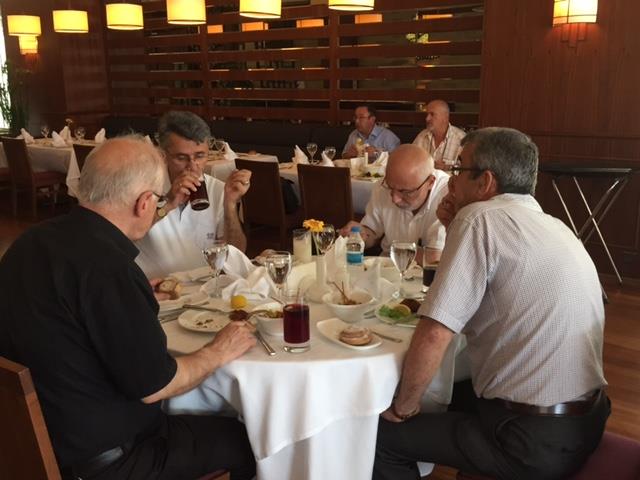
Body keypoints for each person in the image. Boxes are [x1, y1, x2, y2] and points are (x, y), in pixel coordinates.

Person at [0, 136, 257, 480]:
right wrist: (218, 351)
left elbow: (65, 312)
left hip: (33, 440)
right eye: (159, 200)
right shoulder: (109, 268)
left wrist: (131, 300)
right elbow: (157, 386)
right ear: (144, 202)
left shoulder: (31, 241)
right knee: (250, 439)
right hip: (111, 460)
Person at [373, 128, 610, 480]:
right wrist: (452, 226)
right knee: (452, 391)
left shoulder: (478, 218)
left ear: (485, 182)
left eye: (459, 168)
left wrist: (403, 409)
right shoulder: (555, 225)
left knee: (381, 437)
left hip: (530, 438)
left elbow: (436, 332)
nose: (451, 179)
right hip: (586, 421)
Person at [135, 110, 250, 278]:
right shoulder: (141, 187)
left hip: (205, 287)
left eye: (200, 156)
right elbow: (123, 237)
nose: (192, 166)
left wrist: (230, 205)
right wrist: (168, 203)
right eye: (181, 158)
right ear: (163, 155)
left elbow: (237, 254)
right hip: (157, 288)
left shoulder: (218, 189)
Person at [339, 144, 448, 264]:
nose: (395, 199)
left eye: (405, 192)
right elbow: (372, 234)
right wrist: (361, 234)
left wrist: (394, 252)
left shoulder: (447, 195)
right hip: (386, 268)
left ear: (430, 182)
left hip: (426, 273)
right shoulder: (382, 186)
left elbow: (434, 258)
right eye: (390, 188)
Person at [412, 99, 465, 170]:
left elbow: (467, 169)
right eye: (427, 114)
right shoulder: (422, 135)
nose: (427, 119)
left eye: (432, 114)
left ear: (445, 117)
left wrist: (448, 167)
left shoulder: (461, 139)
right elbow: (411, 160)